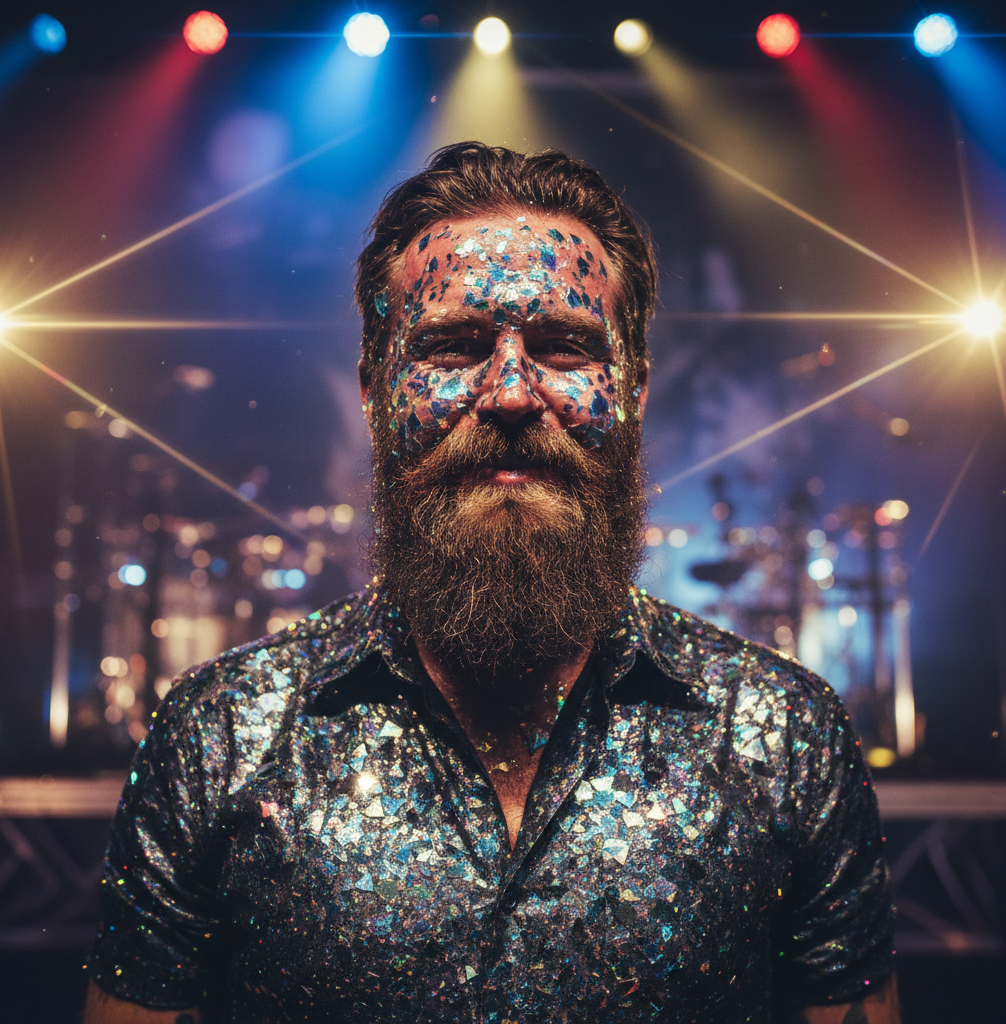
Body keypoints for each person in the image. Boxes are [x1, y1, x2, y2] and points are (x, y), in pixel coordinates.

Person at [85, 143, 898, 1023]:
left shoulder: (783, 738)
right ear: (374, 390)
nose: (511, 394)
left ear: (633, 391)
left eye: (564, 347)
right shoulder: (220, 736)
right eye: (452, 346)